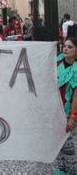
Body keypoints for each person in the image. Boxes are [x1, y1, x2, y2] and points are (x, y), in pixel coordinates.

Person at [55, 37, 77, 174]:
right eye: (65, 46)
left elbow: (76, 96)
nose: (66, 49)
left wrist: (72, 117)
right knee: (57, 145)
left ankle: (71, 170)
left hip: (68, 111)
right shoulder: (57, 61)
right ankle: (61, 170)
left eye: (70, 47)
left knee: (67, 145)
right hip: (54, 110)